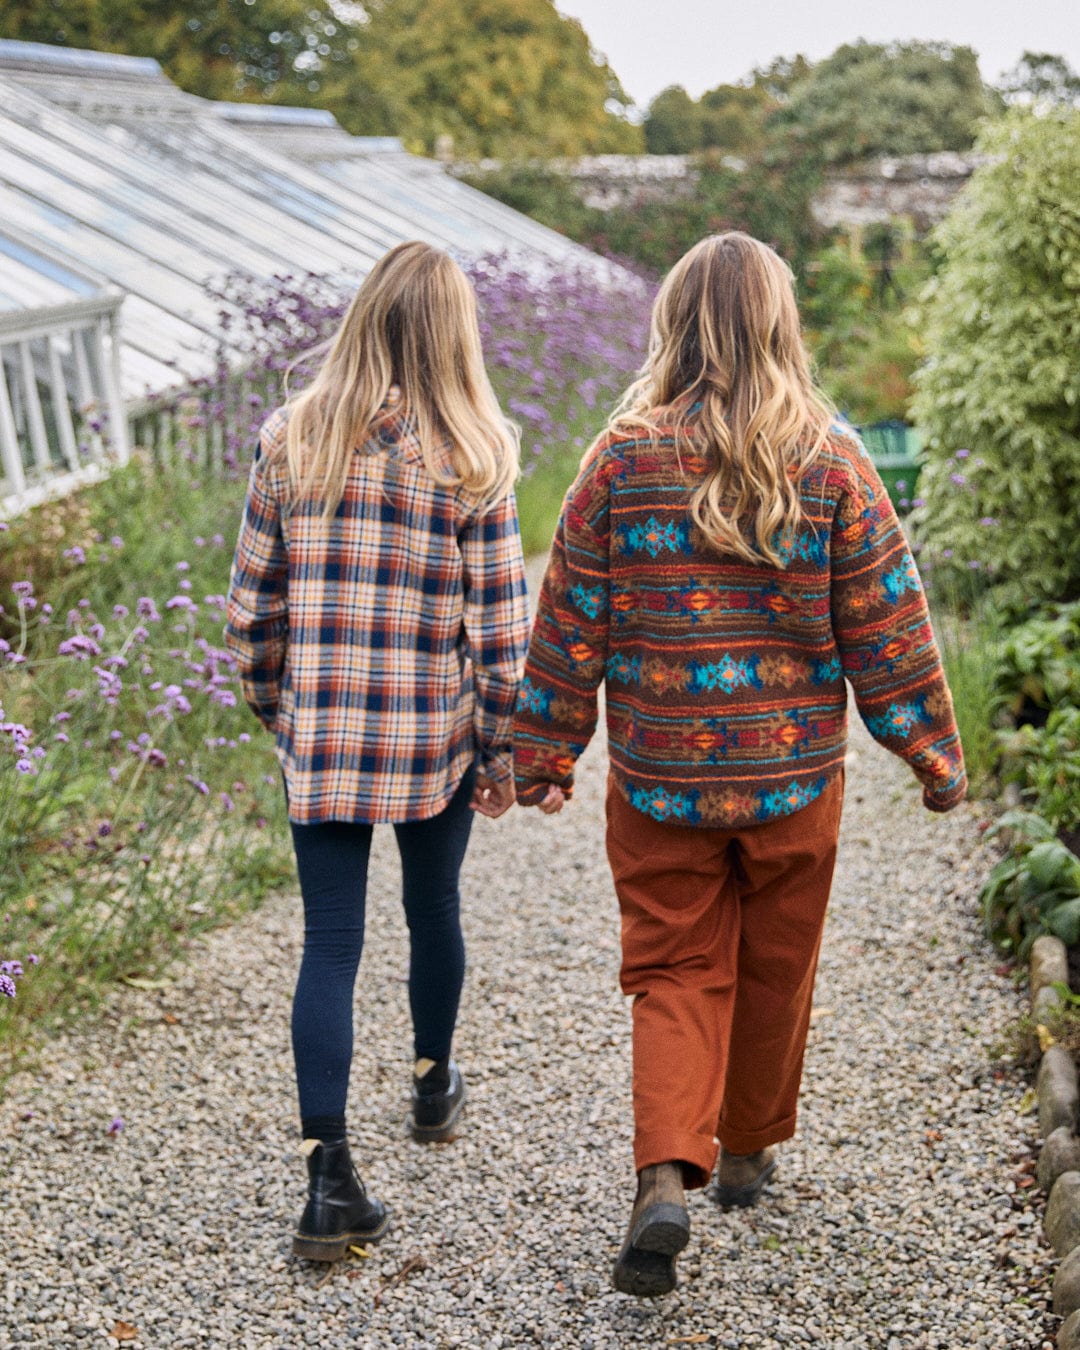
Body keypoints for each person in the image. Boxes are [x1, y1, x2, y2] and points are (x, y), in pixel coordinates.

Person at [512, 231, 966, 1298]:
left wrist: (544, 748)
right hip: (794, 782)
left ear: (675, 324)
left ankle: (666, 1173)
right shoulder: (833, 459)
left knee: (673, 972)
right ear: (780, 324)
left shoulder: (620, 459)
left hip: (661, 778)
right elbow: (887, 625)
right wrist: (932, 752)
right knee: (776, 965)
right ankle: (751, 1148)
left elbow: (570, 616)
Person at [226, 240, 529, 1262]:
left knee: (331, 947)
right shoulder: (476, 452)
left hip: (324, 740)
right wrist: (497, 751)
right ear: (454, 335)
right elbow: (501, 633)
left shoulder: (290, 437)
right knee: (433, 908)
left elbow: (251, 613)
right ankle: (432, 1084)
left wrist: (285, 714)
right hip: (430, 737)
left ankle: (329, 1180)